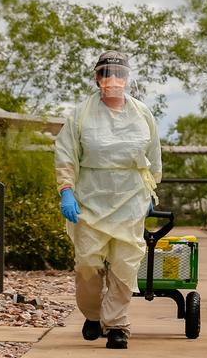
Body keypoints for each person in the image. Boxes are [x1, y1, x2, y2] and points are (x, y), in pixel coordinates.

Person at [55, 50, 161, 350]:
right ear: (97, 78)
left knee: (125, 265)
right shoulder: (82, 113)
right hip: (91, 197)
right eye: (106, 74)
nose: (112, 80)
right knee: (87, 263)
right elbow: (65, 153)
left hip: (131, 197)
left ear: (127, 78)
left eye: (119, 74)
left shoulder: (142, 113)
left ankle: (116, 325)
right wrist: (66, 190)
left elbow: (154, 155)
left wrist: (152, 187)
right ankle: (92, 314)